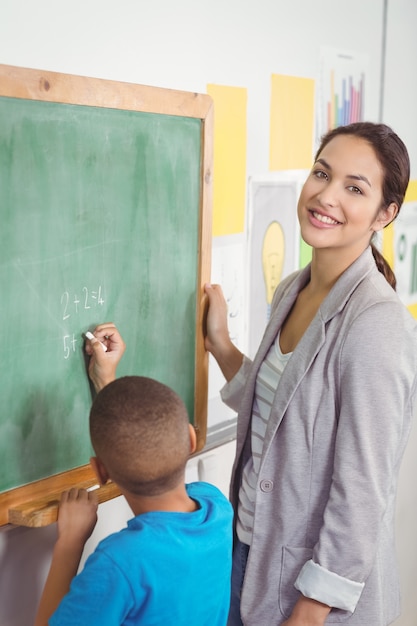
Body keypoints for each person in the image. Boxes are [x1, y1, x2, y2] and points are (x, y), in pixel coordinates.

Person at [202, 122, 417, 625]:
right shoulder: (294, 290)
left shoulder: (376, 322)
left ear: (385, 214)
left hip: (312, 591)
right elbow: (283, 417)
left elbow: (362, 489)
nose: (326, 196)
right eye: (322, 173)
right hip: (252, 554)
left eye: (354, 188)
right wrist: (220, 345)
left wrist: (311, 609)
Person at [34, 374, 233, 626]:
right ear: (191, 440)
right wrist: (107, 380)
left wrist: (69, 544)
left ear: (100, 472)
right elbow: (144, 441)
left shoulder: (118, 563)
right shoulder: (217, 507)